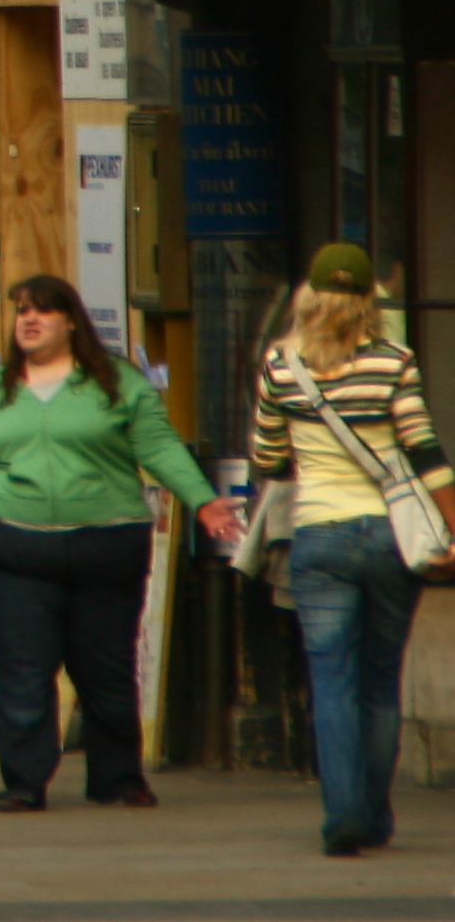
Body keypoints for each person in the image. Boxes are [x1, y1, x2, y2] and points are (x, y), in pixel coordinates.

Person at [0, 273, 235, 813]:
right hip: (15, 549)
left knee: (105, 668)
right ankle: (23, 782)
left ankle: (118, 779)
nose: (29, 319)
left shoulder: (116, 382)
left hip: (106, 545)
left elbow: (159, 447)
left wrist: (204, 501)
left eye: (42, 311)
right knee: (23, 670)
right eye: (22, 310)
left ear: (71, 322)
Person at [249, 242, 455, 857]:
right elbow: (424, 451)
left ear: (308, 297)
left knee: (331, 679)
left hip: (320, 536)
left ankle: (342, 813)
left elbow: (267, 458)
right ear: (370, 301)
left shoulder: (280, 365)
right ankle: (376, 811)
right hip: (393, 538)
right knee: (380, 680)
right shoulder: (394, 361)